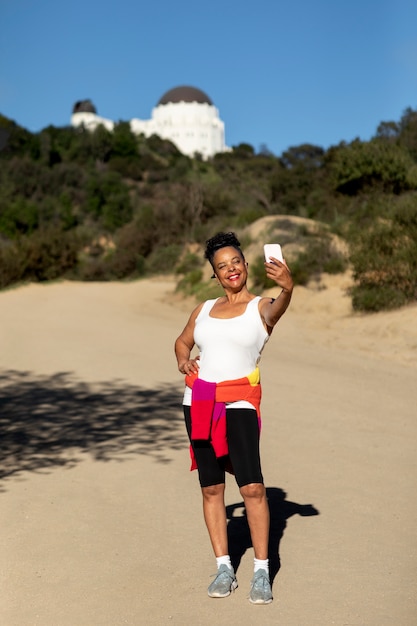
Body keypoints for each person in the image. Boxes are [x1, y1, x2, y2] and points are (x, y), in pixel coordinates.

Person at [174, 231, 293, 604]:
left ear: (245, 264)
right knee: (211, 487)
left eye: (235, 262)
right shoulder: (204, 309)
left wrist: (288, 288)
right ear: (215, 273)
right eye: (222, 266)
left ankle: (261, 571)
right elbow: (182, 342)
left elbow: (277, 310)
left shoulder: (262, 306)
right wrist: (183, 360)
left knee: (252, 487)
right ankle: (224, 566)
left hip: (239, 402)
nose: (231, 270)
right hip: (199, 402)